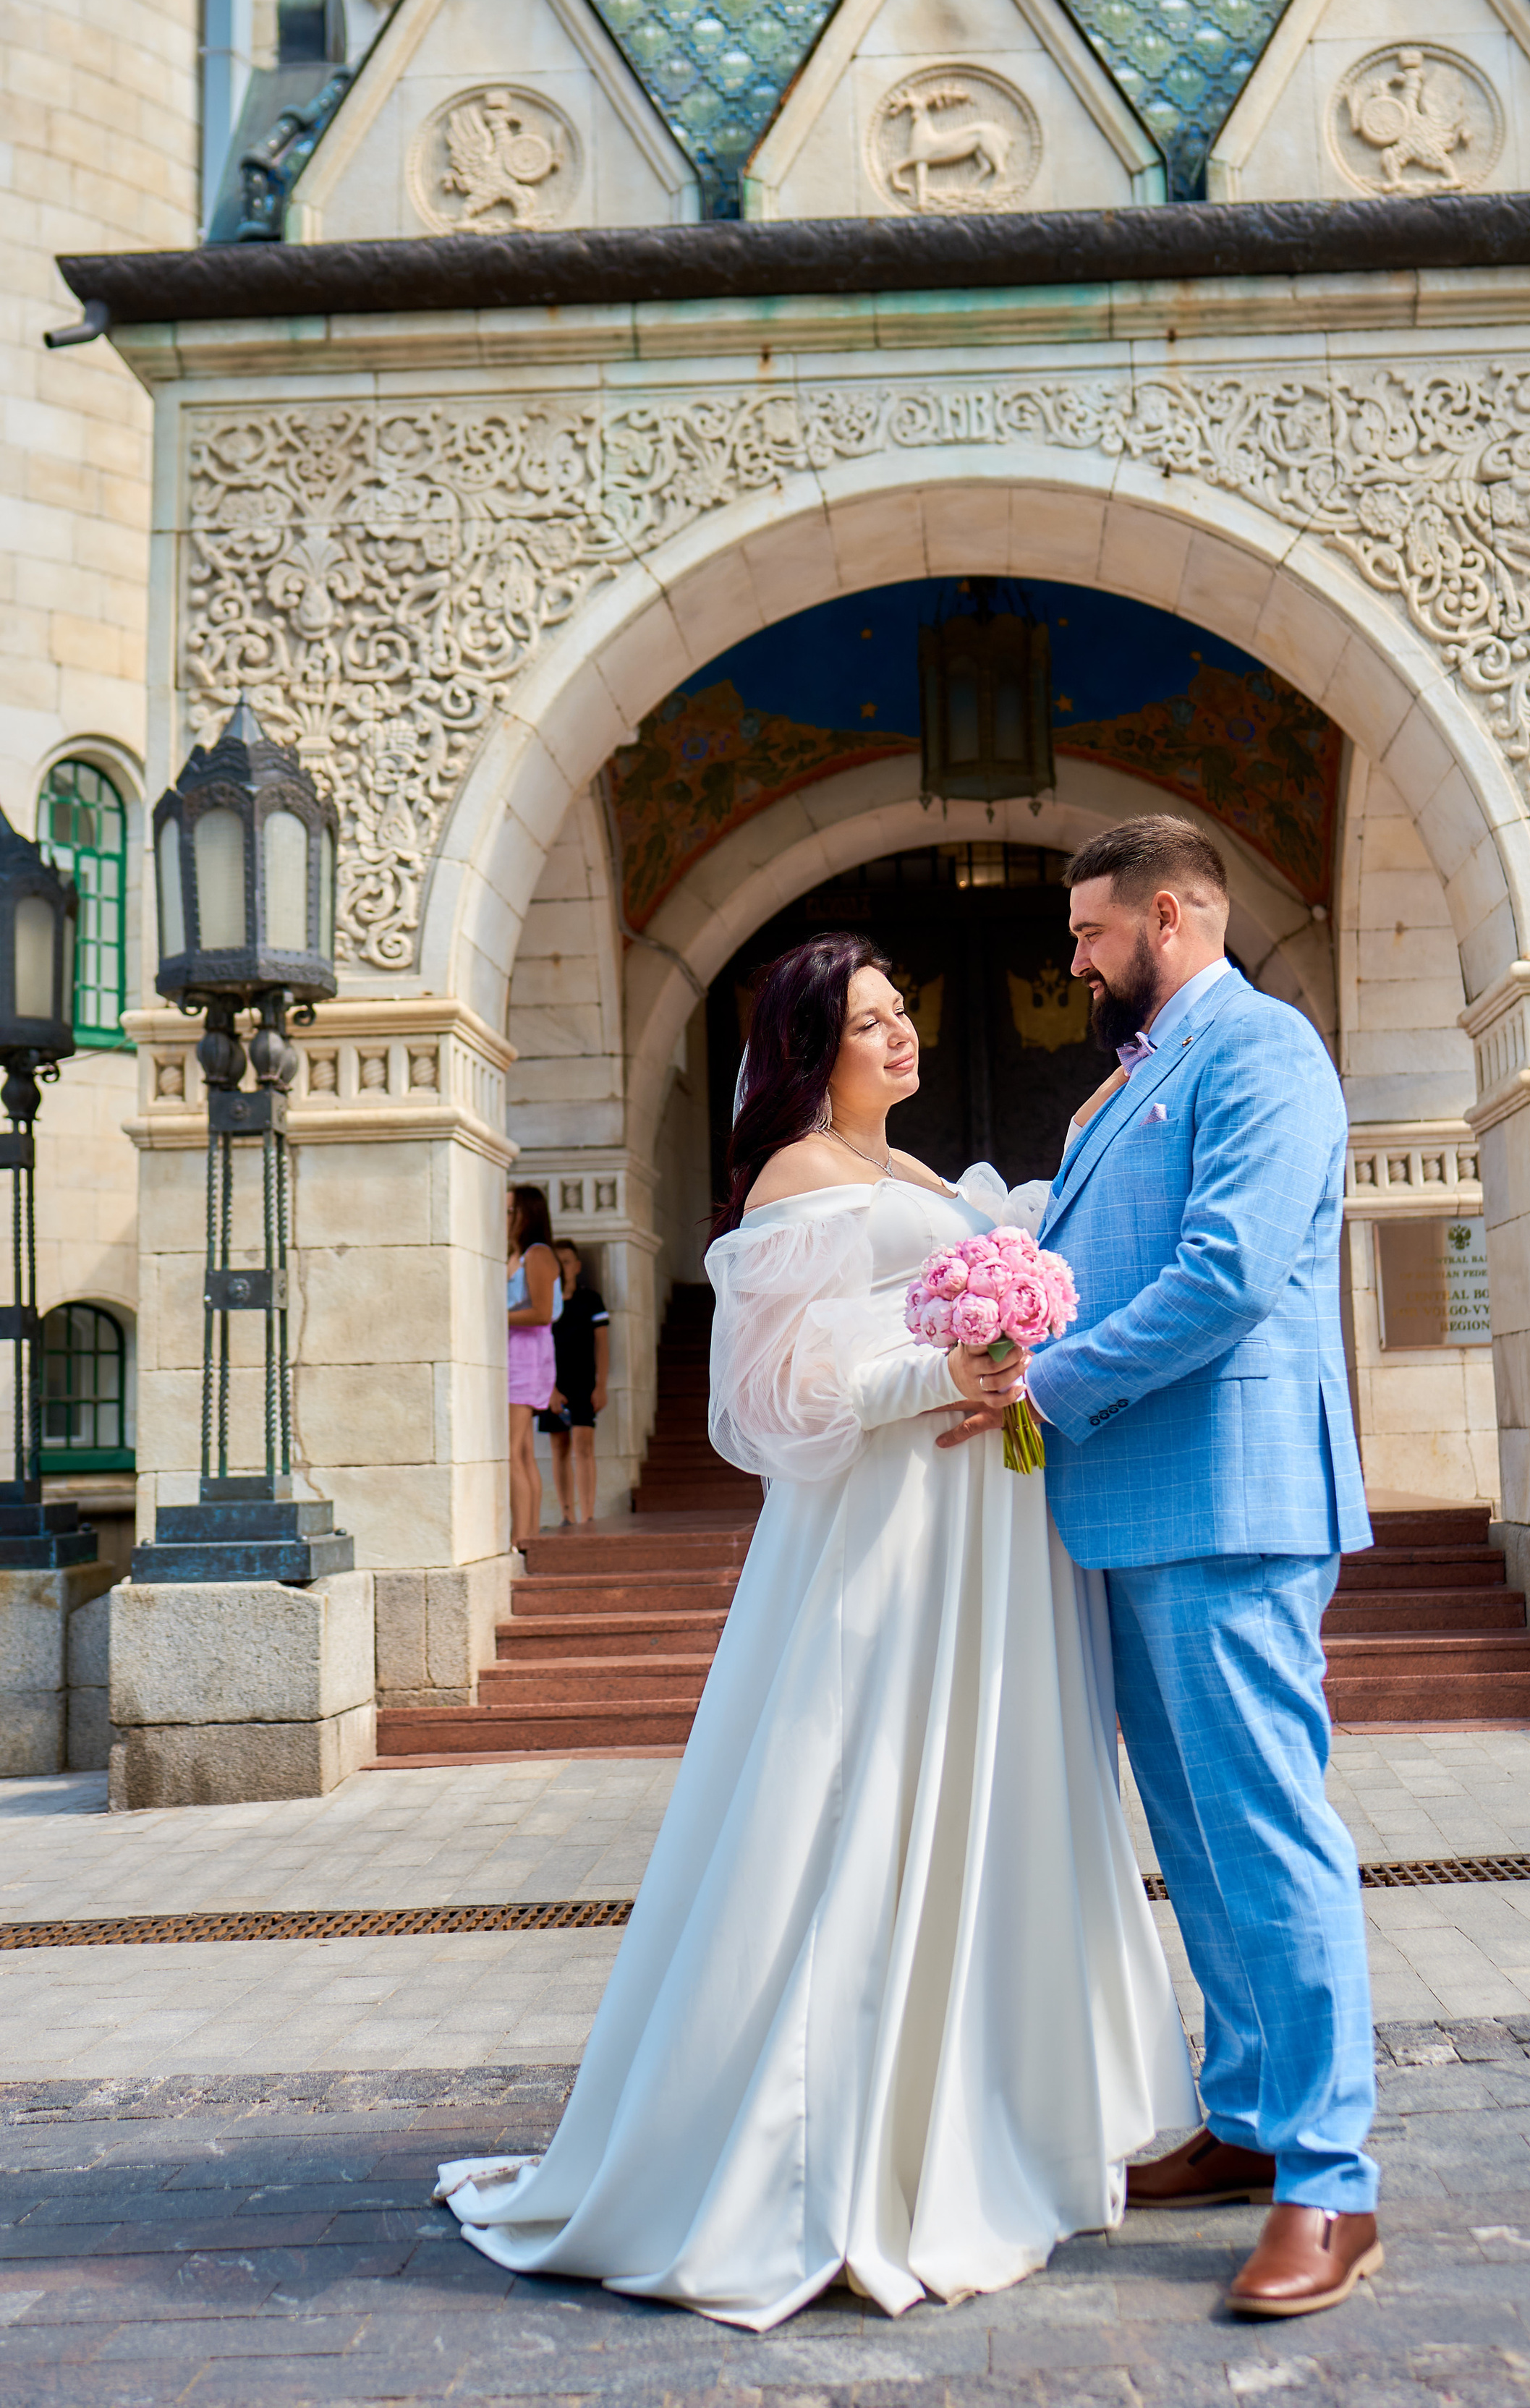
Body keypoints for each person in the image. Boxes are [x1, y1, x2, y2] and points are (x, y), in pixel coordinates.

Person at [437, 933, 1195, 2328]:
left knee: (981, 1797)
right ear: (808, 1048)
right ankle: (821, 2151)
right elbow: (774, 1406)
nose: (902, 1033)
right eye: (869, 1019)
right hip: (885, 1530)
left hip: (984, 1525)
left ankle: (984, 2113)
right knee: (857, 1793)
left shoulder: (920, 1178)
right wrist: (940, 1367)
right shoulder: (796, 1177)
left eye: (905, 1009)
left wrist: (1011, 1347)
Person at [956, 813, 1382, 2320]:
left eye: (1089, 935)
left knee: (1264, 1830)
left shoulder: (1259, 1051)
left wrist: (1046, 1386)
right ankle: (1253, 2118)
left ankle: (1330, 2184)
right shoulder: (1135, 1080)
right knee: (1197, 1844)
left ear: (1173, 917)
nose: (1072, 961)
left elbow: (1227, 1275)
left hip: (1226, 1496)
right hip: (1138, 1510)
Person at [506, 1183, 562, 1548]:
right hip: (515, 1357)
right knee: (522, 1452)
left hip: (525, 1360)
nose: (505, 1217)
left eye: (511, 1211)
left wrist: (493, 1317)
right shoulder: (518, 1254)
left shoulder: (538, 1254)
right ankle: (526, 1537)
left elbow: (543, 1312)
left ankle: (519, 1537)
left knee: (510, 1451)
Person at [542, 1238, 609, 1530]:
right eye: (557, 1262)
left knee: (584, 1444)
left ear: (577, 1266)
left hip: (584, 1383)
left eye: (567, 1261)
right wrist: (549, 1389)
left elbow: (603, 1345)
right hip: (553, 1384)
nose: (562, 1267)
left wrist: (601, 1385)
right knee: (559, 1447)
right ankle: (567, 1515)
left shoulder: (591, 1300)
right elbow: (540, 1347)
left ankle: (588, 1515)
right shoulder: (545, 1304)